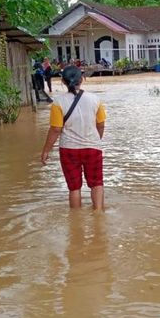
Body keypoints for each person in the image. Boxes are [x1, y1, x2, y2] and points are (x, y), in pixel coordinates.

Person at [40, 66, 106, 210]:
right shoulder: (95, 100)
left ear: (63, 81)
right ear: (81, 80)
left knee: (74, 188)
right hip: (93, 148)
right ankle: (99, 215)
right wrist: (96, 140)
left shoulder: (58, 102)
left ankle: (76, 221)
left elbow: (56, 129)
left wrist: (46, 150)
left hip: (69, 150)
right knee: (97, 183)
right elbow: (100, 125)